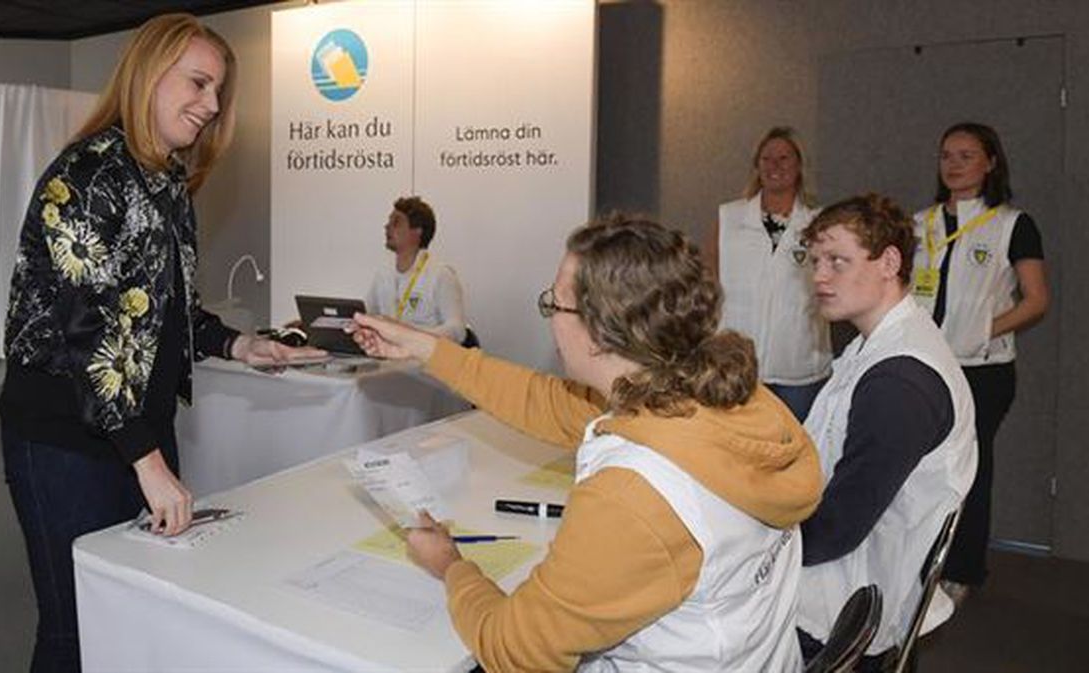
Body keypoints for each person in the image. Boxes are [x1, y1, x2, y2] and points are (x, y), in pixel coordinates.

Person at [0, 14, 323, 672]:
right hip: (64, 438)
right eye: (199, 83)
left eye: (218, 93)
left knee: (131, 611)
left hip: (135, 430)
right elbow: (86, 332)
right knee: (75, 626)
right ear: (149, 74)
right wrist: (148, 462)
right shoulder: (88, 175)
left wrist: (241, 345)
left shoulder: (167, 182)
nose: (211, 105)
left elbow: (161, 310)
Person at [350, 215, 822, 672]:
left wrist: (451, 565)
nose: (550, 319)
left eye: (554, 305)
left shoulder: (635, 493)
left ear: (600, 332)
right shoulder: (730, 399)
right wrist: (423, 349)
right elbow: (544, 401)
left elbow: (516, 651)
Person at [796, 194, 977, 669]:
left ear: (889, 262)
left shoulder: (900, 380)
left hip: (850, 601)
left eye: (838, 260)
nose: (819, 276)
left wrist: (753, 549)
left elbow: (838, 529)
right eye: (814, 261)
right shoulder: (875, 345)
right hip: (854, 568)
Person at [912, 123, 1049, 604]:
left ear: (990, 162)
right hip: (926, 365)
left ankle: (964, 567)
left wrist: (977, 332)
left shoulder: (1011, 223)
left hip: (983, 371)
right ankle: (917, 557)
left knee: (970, 467)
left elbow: (1036, 301)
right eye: (946, 154)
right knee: (920, 466)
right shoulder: (920, 224)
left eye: (966, 155)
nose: (953, 164)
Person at [708, 127, 831, 420]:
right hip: (737, 368)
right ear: (756, 166)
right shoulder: (729, 217)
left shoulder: (819, 222)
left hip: (799, 371)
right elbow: (706, 279)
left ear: (799, 165)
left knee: (793, 455)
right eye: (767, 159)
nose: (775, 166)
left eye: (784, 158)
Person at [365, 196, 468, 343]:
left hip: (423, 363)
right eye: (388, 221)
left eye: (396, 222)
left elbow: (457, 331)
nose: (387, 227)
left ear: (418, 231)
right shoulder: (383, 273)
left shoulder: (441, 275)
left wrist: (408, 335)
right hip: (386, 362)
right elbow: (366, 315)